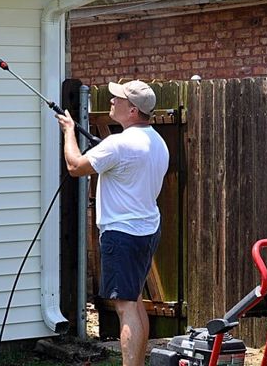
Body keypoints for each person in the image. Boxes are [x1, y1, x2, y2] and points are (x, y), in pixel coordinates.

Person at [56, 80, 169, 366]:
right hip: (146, 231)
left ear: (132, 110)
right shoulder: (157, 141)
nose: (111, 101)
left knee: (125, 307)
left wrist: (69, 132)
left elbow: (75, 166)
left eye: (117, 99)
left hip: (122, 235)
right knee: (135, 301)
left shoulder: (120, 144)